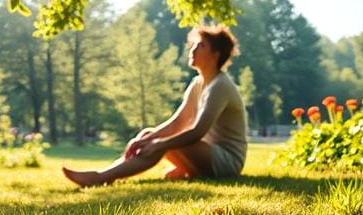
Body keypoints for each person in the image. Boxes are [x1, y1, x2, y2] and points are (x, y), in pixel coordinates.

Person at [62, 24, 248, 187]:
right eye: (194, 44)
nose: (192, 50)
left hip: (227, 162)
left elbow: (196, 132)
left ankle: (100, 178)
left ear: (215, 55)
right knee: (148, 135)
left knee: (165, 142)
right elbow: (178, 122)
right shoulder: (198, 83)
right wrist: (144, 139)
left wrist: (159, 144)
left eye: (201, 45)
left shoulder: (220, 85)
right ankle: (107, 174)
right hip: (208, 155)